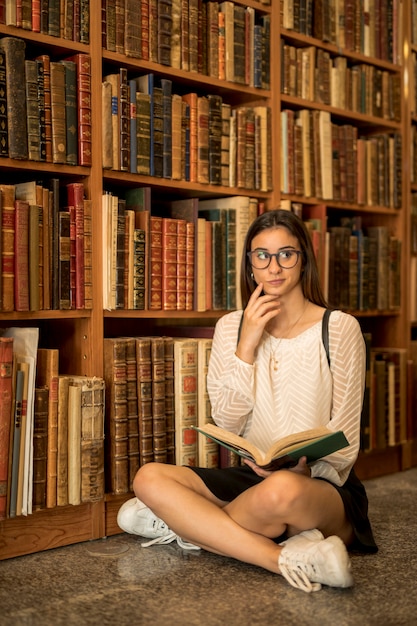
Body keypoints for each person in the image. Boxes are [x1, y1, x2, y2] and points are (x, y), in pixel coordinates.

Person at [117, 209, 378, 593]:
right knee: (148, 478)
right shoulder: (230, 327)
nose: (273, 267)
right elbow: (227, 422)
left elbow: (346, 441)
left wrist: (307, 472)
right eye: (261, 255)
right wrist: (247, 344)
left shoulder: (338, 328)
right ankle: (284, 557)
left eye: (285, 254)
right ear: (249, 265)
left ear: (303, 259)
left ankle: (188, 525)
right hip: (251, 477)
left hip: (319, 484)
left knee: (281, 491)